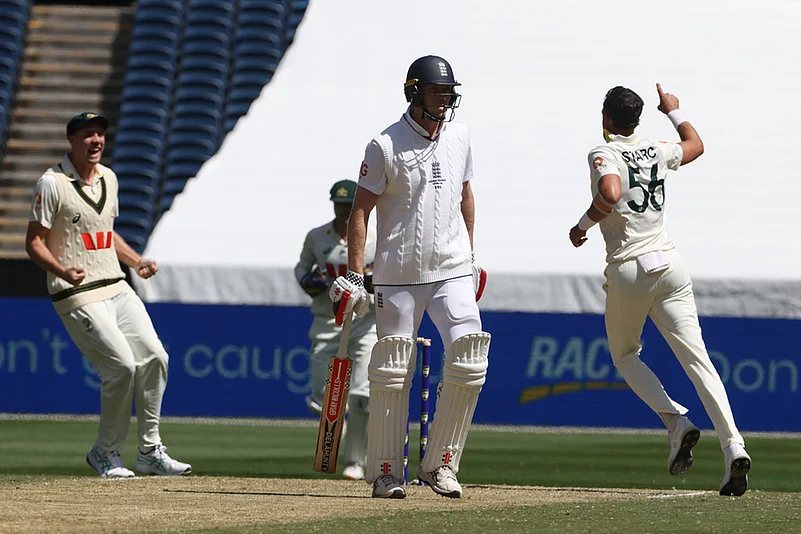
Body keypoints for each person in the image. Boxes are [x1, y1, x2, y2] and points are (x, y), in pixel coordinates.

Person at [569, 85, 751, 496]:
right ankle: (733, 444)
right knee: (699, 361)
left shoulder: (602, 151)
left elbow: (610, 193)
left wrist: (582, 225)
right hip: (670, 264)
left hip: (632, 268)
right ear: (637, 119)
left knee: (625, 356)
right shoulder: (655, 147)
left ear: (606, 118)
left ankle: (676, 422)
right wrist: (673, 111)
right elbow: (696, 145)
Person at [329, 55, 489, 500]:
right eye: (438, 92)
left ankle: (441, 465)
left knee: (471, 356)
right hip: (397, 274)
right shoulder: (384, 145)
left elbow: (465, 195)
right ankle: (385, 472)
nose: (446, 99)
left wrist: (471, 255)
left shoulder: (461, 137)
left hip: (452, 269)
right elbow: (360, 211)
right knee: (392, 369)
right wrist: (357, 275)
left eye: (449, 93)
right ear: (414, 93)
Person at [25, 112, 192, 478]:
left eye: (100, 134)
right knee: (121, 367)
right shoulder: (51, 183)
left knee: (155, 358)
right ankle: (105, 452)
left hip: (117, 285)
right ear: (72, 140)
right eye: (88, 135)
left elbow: (106, 233)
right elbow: (34, 241)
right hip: (78, 293)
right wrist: (62, 271)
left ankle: (149, 452)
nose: (96, 140)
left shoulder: (108, 178)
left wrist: (136, 262)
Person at [294, 179, 378, 481]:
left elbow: (391, 270)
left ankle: (356, 461)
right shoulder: (317, 236)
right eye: (338, 204)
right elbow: (302, 268)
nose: (342, 210)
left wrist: (375, 281)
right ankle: (335, 419)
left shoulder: (376, 234)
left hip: (365, 321)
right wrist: (308, 282)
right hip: (328, 321)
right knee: (320, 395)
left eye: (348, 204)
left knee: (361, 395)